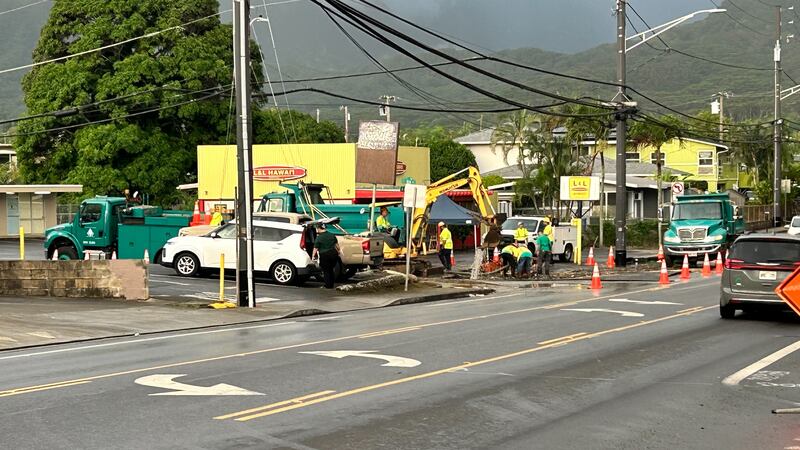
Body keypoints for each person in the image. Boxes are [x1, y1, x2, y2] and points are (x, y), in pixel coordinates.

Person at [312, 223, 341, 289]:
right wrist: (338, 252)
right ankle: (331, 285)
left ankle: (328, 286)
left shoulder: (319, 237)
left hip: (325, 255)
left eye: (317, 228)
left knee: (326, 271)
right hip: (334, 254)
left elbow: (315, 248)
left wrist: (313, 256)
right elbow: (337, 245)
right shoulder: (332, 235)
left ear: (319, 228)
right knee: (331, 269)